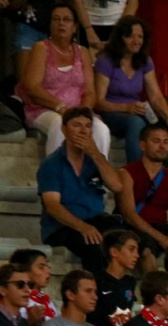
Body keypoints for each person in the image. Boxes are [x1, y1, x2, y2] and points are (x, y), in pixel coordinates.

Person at [93, 16, 168, 163]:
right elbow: (98, 102)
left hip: (139, 112)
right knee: (136, 122)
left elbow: (156, 96)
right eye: (130, 36)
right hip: (113, 113)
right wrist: (127, 108)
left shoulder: (145, 61)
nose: (136, 41)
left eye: (140, 37)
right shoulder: (106, 60)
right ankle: (136, 172)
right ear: (120, 37)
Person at [37, 108, 125, 275]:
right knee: (95, 247)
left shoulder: (95, 160)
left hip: (96, 220)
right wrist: (82, 227)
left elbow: (117, 186)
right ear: (64, 129)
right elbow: (52, 206)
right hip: (62, 227)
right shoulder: (52, 164)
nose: (83, 131)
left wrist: (96, 154)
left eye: (88, 126)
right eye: (77, 125)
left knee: (125, 240)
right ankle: (96, 288)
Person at [20, 2, 109, 157]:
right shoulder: (41, 48)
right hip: (46, 109)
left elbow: (90, 91)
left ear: (75, 27)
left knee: (102, 130)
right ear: (50, 25)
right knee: (59, 126)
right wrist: (62, 108)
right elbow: (32, 87)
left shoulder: (83, 52)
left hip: (79, 110)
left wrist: (82, 113)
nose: (61, 23)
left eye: (66, 20)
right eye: (56, 19)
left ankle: (99, 171)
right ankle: (56, 171)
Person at [114, 123, 168, 269]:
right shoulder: (126, 173)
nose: (162, 146)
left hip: (161, 228)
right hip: (135, 228)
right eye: (156, 141)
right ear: (142, 145)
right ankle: (155, 284)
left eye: (166, 142)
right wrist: (160, 238)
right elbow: (129, 214)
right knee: (146, 250)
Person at [87, 229, 139, 326]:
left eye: (137, 251)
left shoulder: (130, 281)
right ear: (114, 252)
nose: (137, 255)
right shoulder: (95, 280)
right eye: (131, 250)